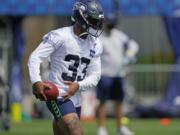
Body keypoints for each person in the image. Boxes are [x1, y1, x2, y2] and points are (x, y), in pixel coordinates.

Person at [27, 0, 104, 135]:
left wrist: (78, 86)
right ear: (80, 17)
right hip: (57, 93)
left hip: (76, 96)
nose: (96, 24)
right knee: (75, 129)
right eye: (92, 20)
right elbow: (35, 57)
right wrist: (36, 81)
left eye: (97, 21)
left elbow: (95, 75)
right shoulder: (60, 36)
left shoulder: (96, 44)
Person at [96, 15, 139, 135]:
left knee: (119, 101)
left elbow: (133, 45)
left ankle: (120, 128)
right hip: (104, 73)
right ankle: (101, 128)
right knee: (102, 101)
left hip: (118, 74)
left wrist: (130, 54)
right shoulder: (99, 37)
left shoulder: (119, 35)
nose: (110, 27)